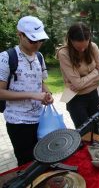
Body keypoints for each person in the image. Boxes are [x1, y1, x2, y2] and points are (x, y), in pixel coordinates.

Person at [0, 16, 53, 166]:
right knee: (27, 165)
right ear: (20, 34)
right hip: (18, 123)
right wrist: (32, 95)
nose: (37, 44)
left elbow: (40, 82)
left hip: (40, 120)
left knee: (45, 160)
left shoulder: (40, 57)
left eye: (40, 40)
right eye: (32, 40)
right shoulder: (6, 58)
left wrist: (47, 94)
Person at [56, 23, 99, 134]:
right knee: (85, 133)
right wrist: (94, 73)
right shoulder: (63, 53)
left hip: (93, 95)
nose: (82, 49)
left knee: (96, 129)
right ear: (71, 40)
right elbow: (77, 84)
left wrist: (81, 83)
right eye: (78, 47)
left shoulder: (93, 47)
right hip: (75, 99)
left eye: (85, 46)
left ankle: (97, 151)